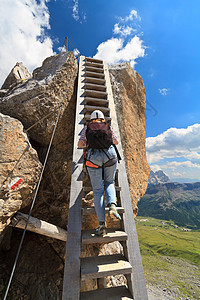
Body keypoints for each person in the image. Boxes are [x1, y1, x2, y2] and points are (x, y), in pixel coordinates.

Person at [78, 110, 121, 236]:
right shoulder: (108, 126)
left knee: (97, 190)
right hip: (110, 156)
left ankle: (102, 225)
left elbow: (80, 144)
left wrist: (89, 143)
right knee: (109, 182)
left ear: (91, 119)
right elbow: (116, 142)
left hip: (93, 158)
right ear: (102, 118)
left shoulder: (87, 128)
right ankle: (112, 205)